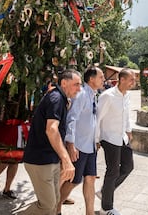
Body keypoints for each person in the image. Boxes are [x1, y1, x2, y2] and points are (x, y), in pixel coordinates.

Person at [20, 69, 82, 215]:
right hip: (40, 160)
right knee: (47, 206)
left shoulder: (61, 99)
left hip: (50, 159)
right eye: (76, 84)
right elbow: (52, 130)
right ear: (64, 83)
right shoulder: (56, 99)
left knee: (54, 203)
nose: (79, 89)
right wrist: (66, 159)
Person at [57, 66, 105, 215]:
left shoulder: (93, 95)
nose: (103, 80)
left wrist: (96, 139)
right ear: (91, 79)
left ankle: (89, 213)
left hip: (90, 146)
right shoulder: (82, 94)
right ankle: (55, 207)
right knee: (73, 180)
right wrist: (71, 144)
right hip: (78, 146)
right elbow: (72, 119)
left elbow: (92, 120)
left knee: (90, 178)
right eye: (101, 77)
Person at [95, 68, 136, 215]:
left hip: (122, 138)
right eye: (131, 79)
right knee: (112, 171)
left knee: (128, 167)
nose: (134, 82)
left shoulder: (127, 95)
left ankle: (105, 191)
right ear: (122, 79)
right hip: (109, 138)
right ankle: (106, 208)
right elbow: (98, 118)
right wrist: (96, 139)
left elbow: (126, 115)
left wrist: (129, 131)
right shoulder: (108, 96)